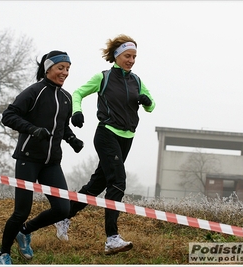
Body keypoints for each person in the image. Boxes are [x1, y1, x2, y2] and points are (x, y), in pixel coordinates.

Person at [54, 34, 156, 255]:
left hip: (127, 137)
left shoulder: (136, 81)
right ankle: (112, 238)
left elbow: (151, 105)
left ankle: (64, 216)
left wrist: (147, 102)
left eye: (134, 57)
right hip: (106, 134)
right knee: (117, 182)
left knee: (96, 185)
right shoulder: (104, 78)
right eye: (128, 56)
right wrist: (77, 111)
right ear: (117, 56)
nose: (131, 60)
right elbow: (78, 93)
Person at [0, 50, 84, 264]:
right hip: (28, 158)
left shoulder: (66, 97)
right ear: (48, 69)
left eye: (68, 69)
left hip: (51, 162)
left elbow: (62, 126)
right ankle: (3, 253)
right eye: (61, 68)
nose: (65, 73)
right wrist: (33, 130)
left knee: (63, 209)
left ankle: (24, 232)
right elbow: (8, 116)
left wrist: (72, 140)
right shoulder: (35, 91)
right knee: (21, 211)